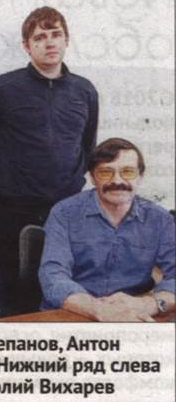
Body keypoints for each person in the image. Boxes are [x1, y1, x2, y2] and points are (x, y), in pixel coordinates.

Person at [0, 6, 99, 313]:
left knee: (61, 292)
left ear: (66, 39)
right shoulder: (1, 89)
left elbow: (87, 146)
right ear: (26, 46)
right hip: (10, 211)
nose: (49, 42)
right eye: (39, 37)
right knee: (13, 297)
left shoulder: (84, 90)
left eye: (55, 34)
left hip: (65, 209)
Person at [39, 138, 175, 321]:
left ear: (140, 177)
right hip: (74, 312)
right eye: (105, 172)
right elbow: (53, 275)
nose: (117, 180)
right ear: (93, 178)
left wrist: (149, 304)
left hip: (135, 312)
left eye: (127, 172)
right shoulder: (64, 213)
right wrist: (98, 309)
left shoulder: (160, 219)